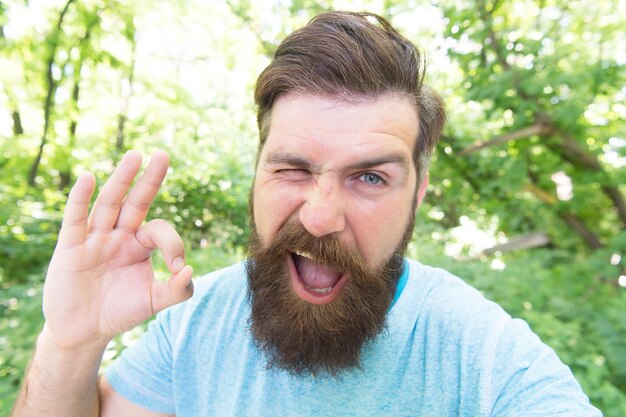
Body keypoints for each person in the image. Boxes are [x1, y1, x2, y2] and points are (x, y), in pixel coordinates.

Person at [12, 11, 601, 417]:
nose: (320, 217)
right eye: (292, 169)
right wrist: (70, 343)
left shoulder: (481, 354)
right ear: (257, 173)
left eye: (370, 177)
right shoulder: (194, 324)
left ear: (417, 196)